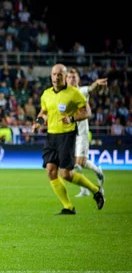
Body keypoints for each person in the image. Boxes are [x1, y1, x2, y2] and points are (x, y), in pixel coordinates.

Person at [33, 64, 104, 214]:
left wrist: (72, 118)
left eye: (60, 74)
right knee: (51, 171)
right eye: (54, 74)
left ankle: (96, 190)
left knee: (65, 174)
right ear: (51, 76)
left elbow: (87, 112)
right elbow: (43, 112)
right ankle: (68, 207)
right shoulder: (46, 94)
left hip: (67, 136)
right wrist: (38, 123)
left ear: (65, 76)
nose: (56, 77)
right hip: (51, 136)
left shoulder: (74, 93)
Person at [66, 69, 107, 197]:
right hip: (69, 133)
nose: (72, 79)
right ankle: (84, 190)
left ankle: (97, 171)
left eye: (74, 77)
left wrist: (96, 83)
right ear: (66, 79)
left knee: (79, 163)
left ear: (78, 79)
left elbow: (90, 89)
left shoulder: (81, 91)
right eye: (70, 77)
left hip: (81, 132)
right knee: (72, 164)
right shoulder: (64, 94)